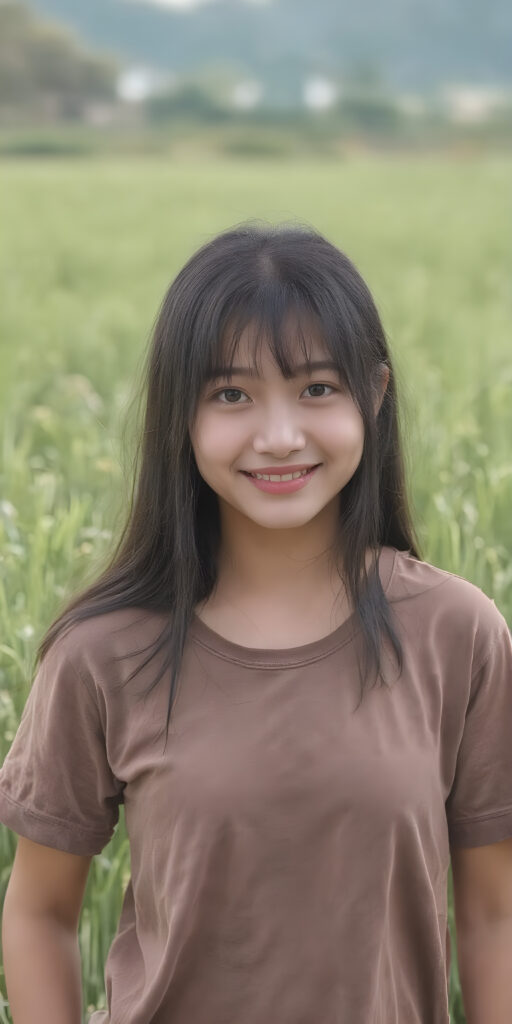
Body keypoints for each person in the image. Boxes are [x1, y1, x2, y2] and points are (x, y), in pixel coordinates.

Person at [1, 221, 511, 1024]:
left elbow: (494, 917)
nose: (279, 438)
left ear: (374, 394)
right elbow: (39, 912)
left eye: (317, 389)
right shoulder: (103, 653)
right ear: (181, 413)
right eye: (231, 395)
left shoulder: (457, 633)